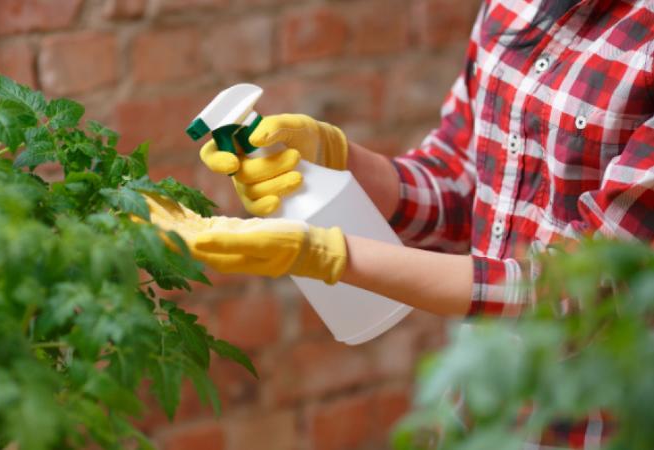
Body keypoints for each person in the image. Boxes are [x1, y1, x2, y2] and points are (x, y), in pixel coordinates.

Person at [147, 0, 654, 447]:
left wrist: (324, 254)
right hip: (473, 415)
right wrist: (334, 158)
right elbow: (463, 178)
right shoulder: (513, 8)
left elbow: (586, 291)